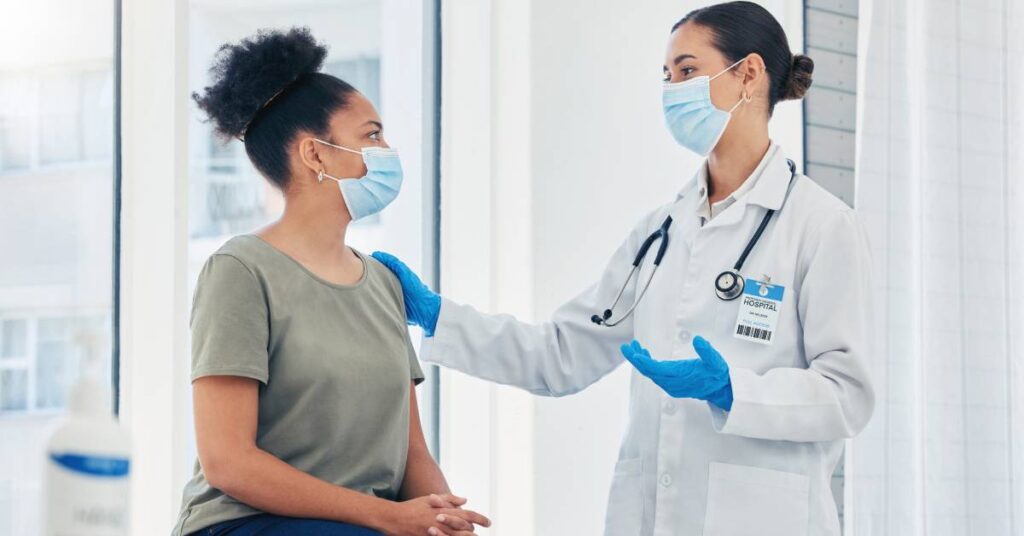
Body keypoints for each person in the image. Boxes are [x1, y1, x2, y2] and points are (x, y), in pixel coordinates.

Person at [372, 3, 874, 535]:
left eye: (686, 71)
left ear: (748, 73)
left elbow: (848, 396)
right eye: (666, 76)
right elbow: (562, 354)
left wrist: (733, 391)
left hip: (764, 518)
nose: (671, 89)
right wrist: (439, 317)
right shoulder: (661, 232)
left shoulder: (821, 225)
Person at [172, 28, 489, 536]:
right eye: (372, 135)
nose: (387, 149)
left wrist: (440, 518)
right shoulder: (241, 271)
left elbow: (412, 455)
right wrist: (387, 517)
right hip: (250, 525)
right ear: (315, 155)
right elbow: (228, 462)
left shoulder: (383, 282)